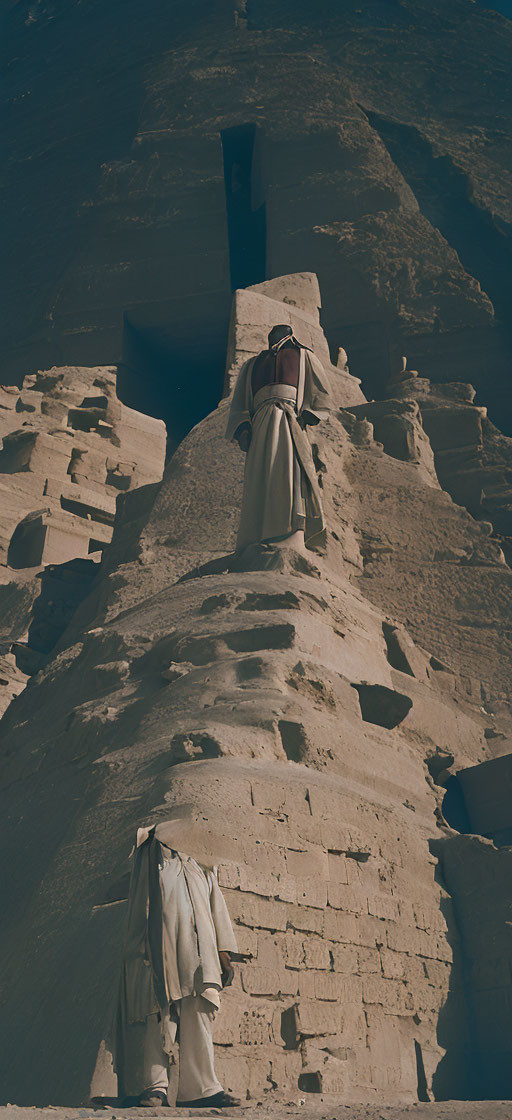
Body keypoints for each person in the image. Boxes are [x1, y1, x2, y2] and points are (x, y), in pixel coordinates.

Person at [113, 823, 240, 1108]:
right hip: (161, 952)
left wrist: (223, 952)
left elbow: (215, 905)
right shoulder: (151, 856)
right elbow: (140, 905)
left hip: (201, 954)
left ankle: (202, 1090)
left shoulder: (202, 863)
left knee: (200, 1015)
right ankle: (155, 1087)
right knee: (158, 1015)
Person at [226, 324, 331, 552]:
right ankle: (259, 536)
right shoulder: (253, 364)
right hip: (261, 424)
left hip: (289, 421)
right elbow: (240, 405)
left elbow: (321, 393)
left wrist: (308, 416)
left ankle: (291, 533)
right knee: (261, 476)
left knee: (289, 473)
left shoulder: (304, 355)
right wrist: (244, 428)